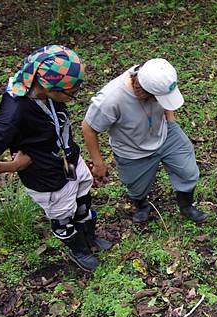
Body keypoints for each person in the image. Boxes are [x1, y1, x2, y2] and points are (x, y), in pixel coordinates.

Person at [0, 45, 112, 272]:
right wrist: (14, 165)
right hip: (46, 176)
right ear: (48, 86)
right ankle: (78, 250)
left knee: (81, 199)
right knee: (62, 216)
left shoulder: (41, 90)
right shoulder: (13, 115)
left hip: (66, 160)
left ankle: (89, 238)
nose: (73, 96)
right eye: (70, 92)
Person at [82, 58, 208, 224]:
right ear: (143, 91)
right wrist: (98, 163)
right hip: (131, 148)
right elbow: (88, 127)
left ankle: (186, 206)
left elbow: (166, 98)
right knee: (136, 187)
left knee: (188, 171)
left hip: (165, 133)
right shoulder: (111, 99)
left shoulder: (158, 74)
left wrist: (170, 122)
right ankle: (141, 205)